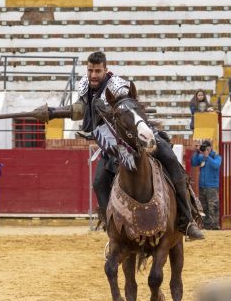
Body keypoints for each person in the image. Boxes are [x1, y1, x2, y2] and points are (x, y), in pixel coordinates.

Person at [75, 51, 204, 240]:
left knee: (171, 161)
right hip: (113, 143)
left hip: (136, 133)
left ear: (105, 70)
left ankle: (186, 220)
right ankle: (112, 231)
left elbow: (127, 109)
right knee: (99, 182)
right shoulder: (84, 85)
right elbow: (82, 107)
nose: (93, 75)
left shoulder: (117, 86)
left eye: (98, 71)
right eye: (90, 70)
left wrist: (107, 109)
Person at [191, 140, 222, 230]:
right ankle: (206, 226)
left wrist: (207, 156)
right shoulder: (201, 157)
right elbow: (193, 162)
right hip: (202, 186)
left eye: (206, 147)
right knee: (204, 207)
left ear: (210, 148)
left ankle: (215, 226)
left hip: (212, 186)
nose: (204, 149)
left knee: (213, 207)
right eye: (203, 147)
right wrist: (197, 152)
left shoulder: (216, 156)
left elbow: (216, 165)